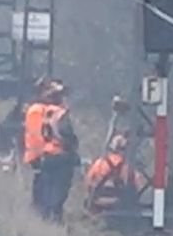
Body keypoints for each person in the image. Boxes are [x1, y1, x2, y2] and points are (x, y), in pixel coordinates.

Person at [23, 79, 79, 220]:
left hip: (46, 155)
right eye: (57, 95)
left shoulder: (51, 111)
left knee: (47, 191)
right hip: (45, 155)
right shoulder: (39, 110)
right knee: (46, 192)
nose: (61, 98)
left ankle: (45, 216)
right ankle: (45, 216)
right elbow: (37, 136)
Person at [85, 134, 149, 215]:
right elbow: (136, 185)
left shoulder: (99, 163)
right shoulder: (126, 167)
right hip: (118, 205)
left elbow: (88, 181)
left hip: (97, 201)